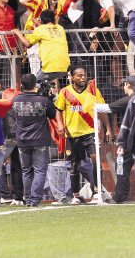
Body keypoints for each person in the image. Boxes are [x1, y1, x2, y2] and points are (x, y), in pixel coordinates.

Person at [55, 66, 112, 204]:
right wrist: (60, 125)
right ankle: (76, 195)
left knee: (95, 159)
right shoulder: (65, 92)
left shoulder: (93, 90)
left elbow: (102, 110)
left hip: (90, 132)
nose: (82, 78)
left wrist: (108, 128)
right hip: (72, 134)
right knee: (74, 164)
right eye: (79, 75)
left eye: (84, 75)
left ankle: (97, 192)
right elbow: (58, 110)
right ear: (72, 77)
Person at [12, 73, 56, 206]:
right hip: (39, 140)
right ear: (35, 84)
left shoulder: (16, 100)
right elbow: (52, 114)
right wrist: (48, 97)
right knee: (39, 170)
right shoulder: (43, 100)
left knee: (26, 171)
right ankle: (35, 199)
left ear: (21, 85)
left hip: (22, 140)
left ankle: (27, 197)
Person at [0, 75, 24, 205]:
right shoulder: (7, 96)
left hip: (9, 136)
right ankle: (17, 197)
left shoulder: (1, 95)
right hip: (15, 135)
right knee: (16, 166)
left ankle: (5, 195)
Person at [14, 9, 70, 84]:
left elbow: (28, 44)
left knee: (33, 84)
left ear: (42, 20)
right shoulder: (60, 28)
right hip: (64, 68)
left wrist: (18, 33)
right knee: (45, 85)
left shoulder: (40, 29)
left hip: (49, 68)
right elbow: (48, 30)